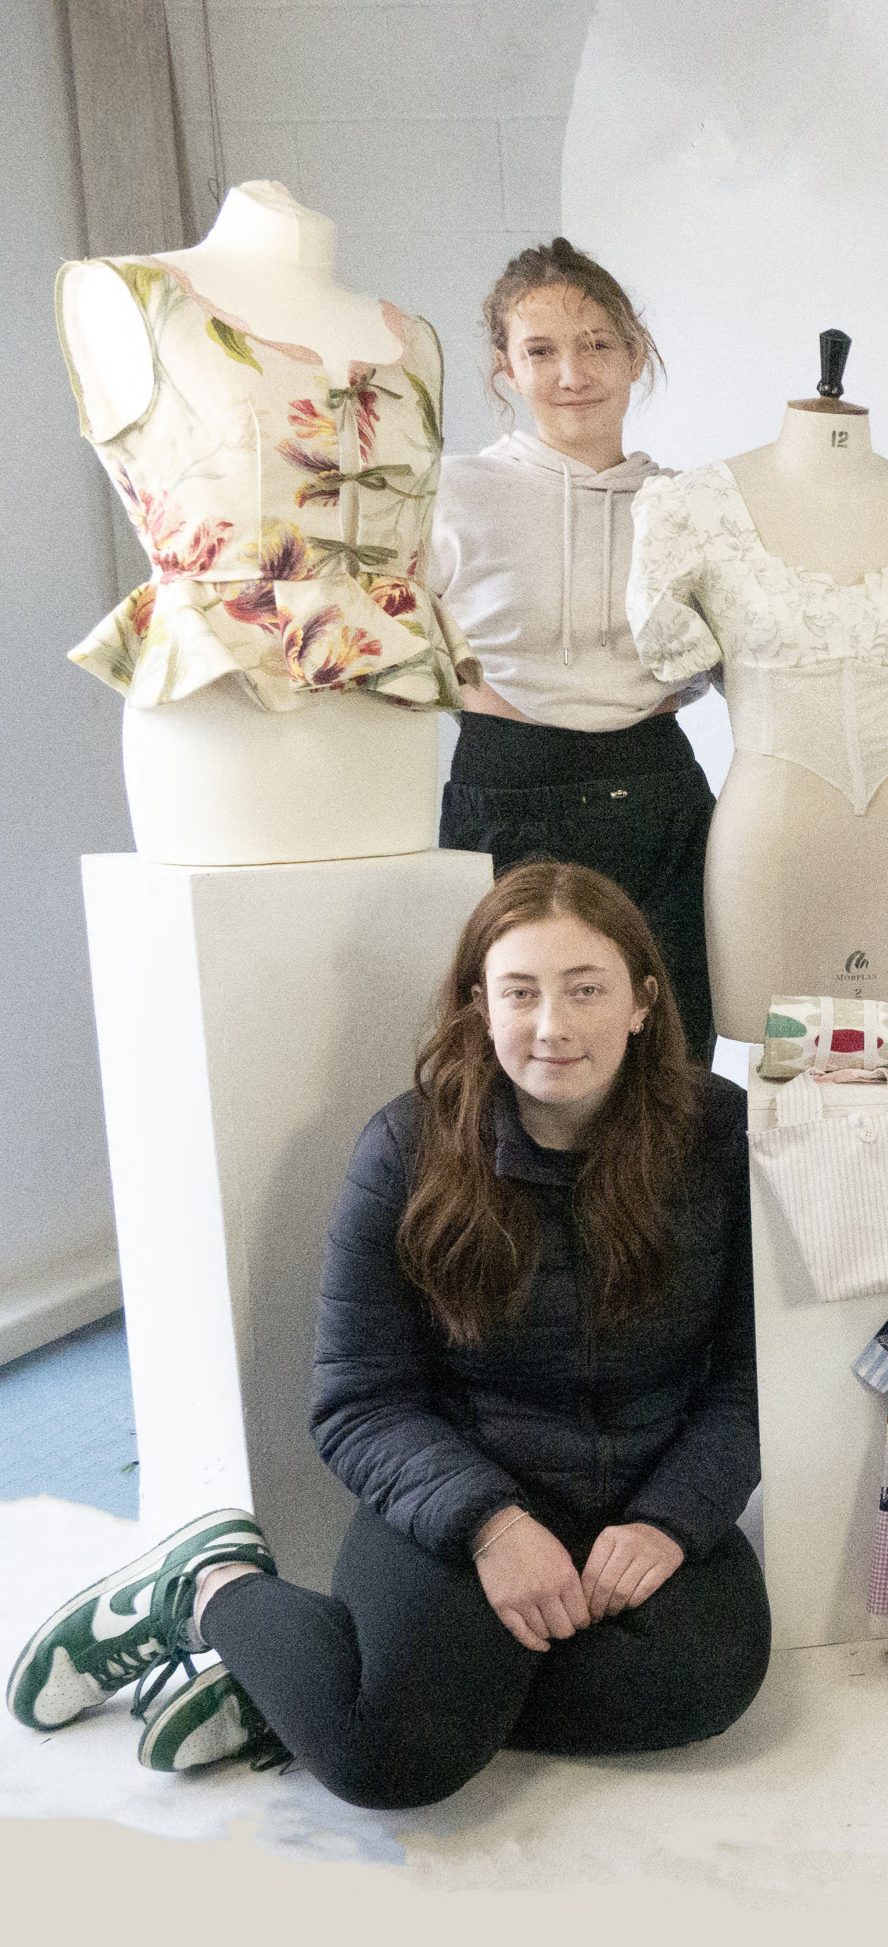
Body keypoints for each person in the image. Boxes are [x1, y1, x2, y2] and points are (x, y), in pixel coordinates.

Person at [9, 864, 767, 1806]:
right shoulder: (406, 1150)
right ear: (477, 1007)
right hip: (461, 1497)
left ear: (644, 1001)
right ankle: (205, 1588)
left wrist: (668, 1519)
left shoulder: (720, 1136)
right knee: (389, 1760)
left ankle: (309, 1688)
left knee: (703, 1686)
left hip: (641, 1490)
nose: (552, 1026)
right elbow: (359, 1401)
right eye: (519, 992)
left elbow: (748, 1380)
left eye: (586, 988)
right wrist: (492, 1526)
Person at [432, 240, 719, 1062]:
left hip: (657, 797)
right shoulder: (452, 494)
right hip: (504, 790)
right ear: (505, 369)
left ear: (636, 355)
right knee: (504, 1060)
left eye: (597, 343)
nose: (572, 373)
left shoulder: (690, 506)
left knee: (667, 1059)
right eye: (541, 351)